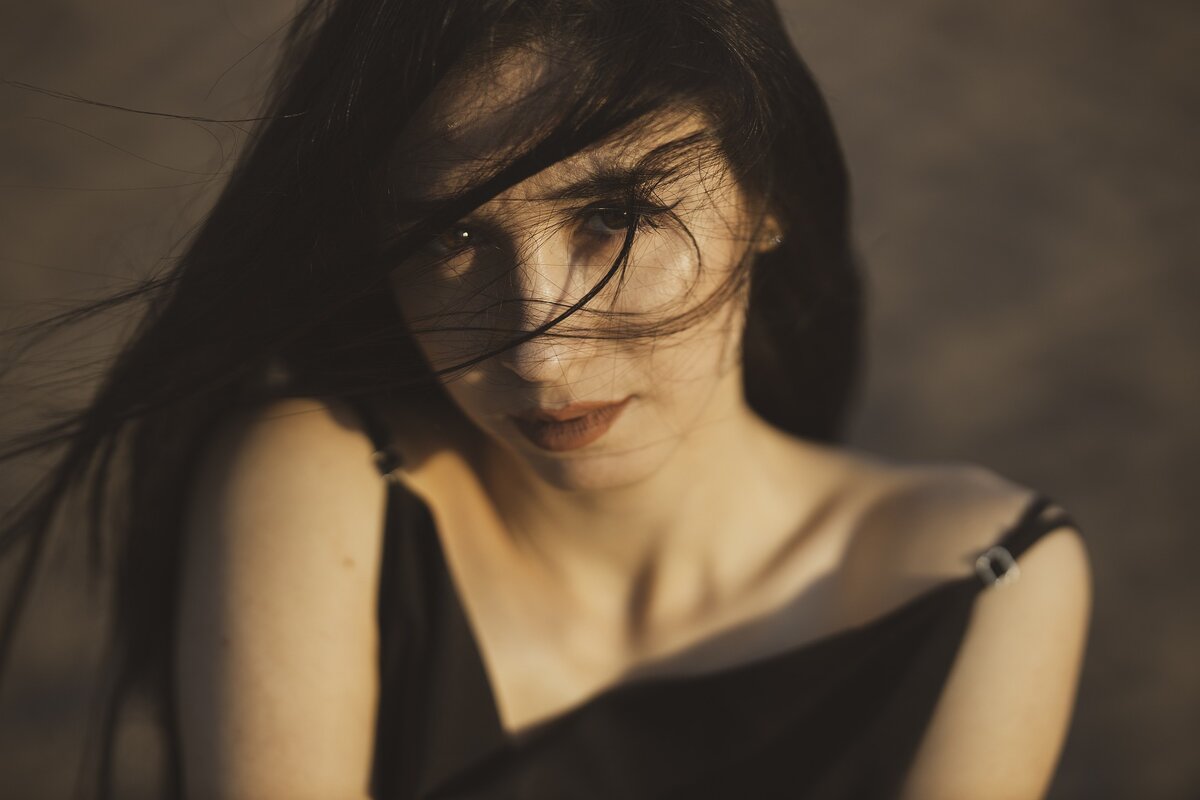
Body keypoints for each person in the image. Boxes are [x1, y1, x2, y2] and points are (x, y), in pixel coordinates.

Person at [0, 1, 1092, 798]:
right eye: (452, 235)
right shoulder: (325, 478)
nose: (541, 351)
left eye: (614, 215)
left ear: (767, 195)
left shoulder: (979, 577)